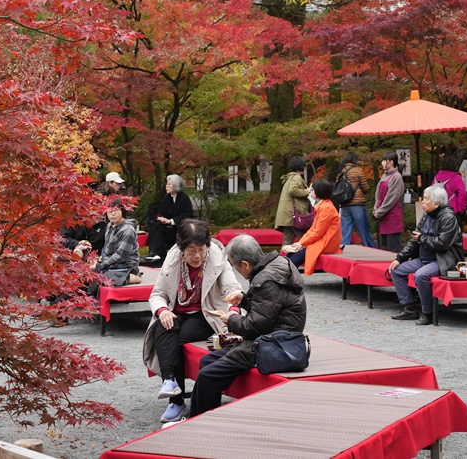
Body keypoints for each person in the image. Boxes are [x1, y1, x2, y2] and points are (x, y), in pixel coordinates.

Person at [183, 234, 306, 421]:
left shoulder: (266, 280)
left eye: (235, 266)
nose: (236, 270)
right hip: (272, 336)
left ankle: (195, 422)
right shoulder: (275, 265)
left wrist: (231, 320)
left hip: (274, 343)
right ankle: (209, 415)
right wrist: (244, 299)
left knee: (208, 375)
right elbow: (270, 307)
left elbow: (256, 325)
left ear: (246, 264)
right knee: (207, 361)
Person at [142, 219, 244, 424]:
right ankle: (170, 383)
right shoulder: (172, 259)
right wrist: (162, 310)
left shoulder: (217, 257)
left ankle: (175, 399)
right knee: (163, 324)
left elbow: (232, 287)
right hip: (177, 310)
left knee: (178, 339)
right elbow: (158, 294)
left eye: (201, 250)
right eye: (191, 251)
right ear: (181, 249)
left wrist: (234, 304)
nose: (197, 255)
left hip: (206, 314)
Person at [388, 185, 466, 326]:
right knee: (396, 270)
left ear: (436, 203)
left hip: (443, 260)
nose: (422, 201)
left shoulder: (449, 218)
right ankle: (409, 308)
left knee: (420, 275)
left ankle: (428, 313)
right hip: (424, 259)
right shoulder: (426, 215)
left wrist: (421, 238)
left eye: (426, 198)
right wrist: (400, 258)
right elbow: (414, 240)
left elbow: (442, 244)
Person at [86, 197, 141, 297]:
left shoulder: (128, 230)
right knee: (87, 274)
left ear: (122, 211)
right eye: (110, 211)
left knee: (101, 277)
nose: (112, 214)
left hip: (126, 265)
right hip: (111, 264)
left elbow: (121, 256)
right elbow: (106, 248)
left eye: (116, 210)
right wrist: (101, 259)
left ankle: (131, 277)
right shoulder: (109, 225)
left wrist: (101, 265)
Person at [283, 179, 341, 274]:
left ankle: (285, 278)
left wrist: (302, 243)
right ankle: (285, 277)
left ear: (318, 192)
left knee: (294, 259)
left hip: (326, 242)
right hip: (322, 240)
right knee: (291, 255)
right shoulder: (324, 206)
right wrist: (301, 243)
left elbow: (318, 232)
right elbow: (313, 229)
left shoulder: (326, 208)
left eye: (312, 189)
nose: (310, 191)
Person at [146, 174, 193, 264]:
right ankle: (155, 252)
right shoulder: (167, 198)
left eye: (169, 184)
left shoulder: (184, 199)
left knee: (159, 229)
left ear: (176, 185)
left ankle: (156, 252)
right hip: (168, 228)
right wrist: (162, 219)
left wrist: (171, 221)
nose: (166, 186)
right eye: (166, 184)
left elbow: (187, 215)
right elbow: (163, 211)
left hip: (179, 228)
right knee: (156, 225)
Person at [336, 152, 376, 247]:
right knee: (363, 229)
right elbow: (366, 188)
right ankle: (369, 248)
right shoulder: (358, 170)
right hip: (357, 204)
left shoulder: (341, 172)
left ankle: (345, 248)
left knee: (346, 231)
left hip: (345, 204)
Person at [274, 156, 311, 246]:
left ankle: (283, 255)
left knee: (287, 243)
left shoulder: (289, 178)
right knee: (306, 240)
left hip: (287, 216)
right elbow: (292, 190)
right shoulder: (297, 177)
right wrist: (307, 191)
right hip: (294, 215)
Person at [373, 152, 405, 252]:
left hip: (393, 217)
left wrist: (379, 212)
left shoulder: (397, 177)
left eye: (384, 161)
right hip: (383, 217)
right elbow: (377, 195)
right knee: (384, 248)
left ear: (391, 162)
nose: (382, 163)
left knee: (393, 249)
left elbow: (391, 198)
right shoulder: (384, 176)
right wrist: (376, 209)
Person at [432, 152, 467, 227]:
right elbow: (462, 193)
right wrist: (462, 207)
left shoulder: (436, 177)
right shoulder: (456, 178)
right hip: (453, 208)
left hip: (438, 208)